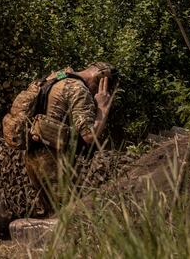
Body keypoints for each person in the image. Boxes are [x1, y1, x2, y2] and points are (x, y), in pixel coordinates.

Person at [20, 62, 118, 215]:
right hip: (51, 159)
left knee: (52, 213)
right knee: (68, 215)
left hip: (31, 153)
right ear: (101, 81)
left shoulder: (58, 76)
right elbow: (89, 136)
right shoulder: (79, 89)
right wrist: (102, 108)